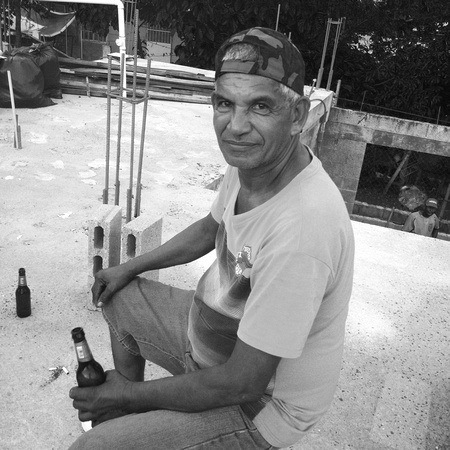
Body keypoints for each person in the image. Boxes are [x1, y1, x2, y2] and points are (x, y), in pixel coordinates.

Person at [69, 27, 355, 449]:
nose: (236, 127)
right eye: (225, 103)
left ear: (298, 117)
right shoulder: (251, 164)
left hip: (260, 406)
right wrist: (128, 267)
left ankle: (130, 407)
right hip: (216, 336)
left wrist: (126, 393)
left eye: (260, 106)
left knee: (90, 448)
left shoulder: (304, 230)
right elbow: (209, 229)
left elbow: (241, 384)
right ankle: (131, 414)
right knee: (119, 293)